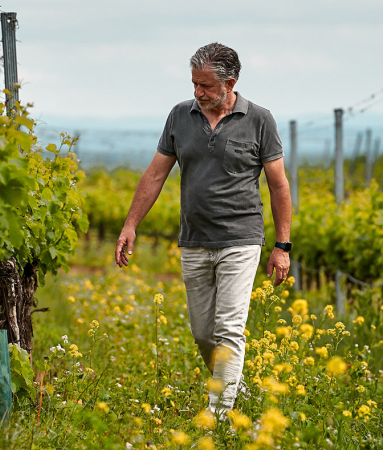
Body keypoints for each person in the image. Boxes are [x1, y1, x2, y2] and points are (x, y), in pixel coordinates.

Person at [114, 42, 293, 418]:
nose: (198, 92)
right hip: (194, 240)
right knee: (202, 333)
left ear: (231, 83)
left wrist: (282, 245)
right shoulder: (179, 116)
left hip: (241, 238)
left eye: (206, 86)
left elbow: (278, 186)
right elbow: (155, 174)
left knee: (229, 329)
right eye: (194, 83)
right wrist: (131, 224)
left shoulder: (260, 120)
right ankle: (234, 387)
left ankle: (219, 416)